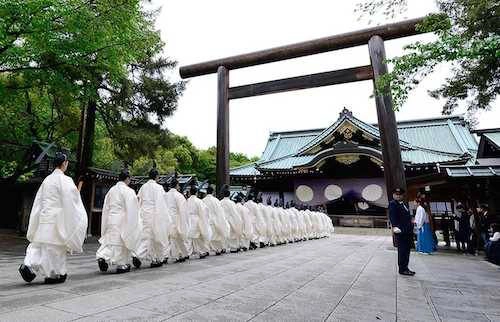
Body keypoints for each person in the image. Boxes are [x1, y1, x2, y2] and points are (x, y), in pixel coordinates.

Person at [19, 152, 88, 284]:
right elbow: (71, 202)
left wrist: (36, 219)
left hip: (45, 217)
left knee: (39, 244)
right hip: (57, 220)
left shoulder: (47, 180)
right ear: (64, 163)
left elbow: (38, 201)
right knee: (55, 249)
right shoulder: (66, 180)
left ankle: (28, 265)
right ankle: (54, 274)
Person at [96, 169, 141, 273]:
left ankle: (102, 256)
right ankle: (122, 264)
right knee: (122, 242)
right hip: (122, 219)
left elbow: (106, 206)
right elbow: (132, 208)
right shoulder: (129, 191)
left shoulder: (111, 190)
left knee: (110, 241)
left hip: (111, 218)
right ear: (127, 179)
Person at [135, 168, 171, 268]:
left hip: (143, 212)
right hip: (154, 214)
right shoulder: (158, 187)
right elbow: (162, 203)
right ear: (156, 177)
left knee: (144, 235)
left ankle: (153, 258)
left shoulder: (143, 186)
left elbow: (139, 199)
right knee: (155, 237)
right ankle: (139, 255)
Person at [388, 188, 415, 276]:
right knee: (403, 250)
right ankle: (402, 269)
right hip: (401, 231)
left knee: (406, 250)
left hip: (407, 231)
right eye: (396, 194)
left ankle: (405, 267)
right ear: (393, 195)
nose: (398, 195)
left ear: (403, 195)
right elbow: (392, 216)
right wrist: (395, 226)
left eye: (399, 194)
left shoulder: (403, 204)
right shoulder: (393, 204)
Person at [164, 178, 191, 262]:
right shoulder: (179, 196)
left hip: (166, 218)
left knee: (167, 239)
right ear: (177, 185)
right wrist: (185, 222)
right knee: (178, 238)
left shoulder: (165, 195)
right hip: (176, 218)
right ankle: (179, 254)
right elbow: (183, 210)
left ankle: (165, 255)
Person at [186, 184, 212, 258]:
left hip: (188, 220)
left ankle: (187, 252)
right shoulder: (199, 201)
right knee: (199, 238)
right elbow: (204, 211)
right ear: (196, 193)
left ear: (190, 193)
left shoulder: (187, 201)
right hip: (196, 220)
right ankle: (201, 252)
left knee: (189, 238)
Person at [203, 185, 230, 255]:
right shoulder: (215, 200)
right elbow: (219, 212)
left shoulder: (203, 200)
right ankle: (217, 249)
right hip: (214, 220)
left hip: (206, 220)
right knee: (216, 236)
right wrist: (222, 221)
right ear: (213, 192)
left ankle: (207, 250)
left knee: (207, 236)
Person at [220, 185, 243, 253]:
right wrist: (238, 221)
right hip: (230, 220)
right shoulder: (232, 203)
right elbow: (234, 213)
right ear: (229, 195)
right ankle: (233, 247)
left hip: (222, 219)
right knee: (232, 234)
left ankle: (223, 247)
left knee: (223, 234)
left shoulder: (220, 202)